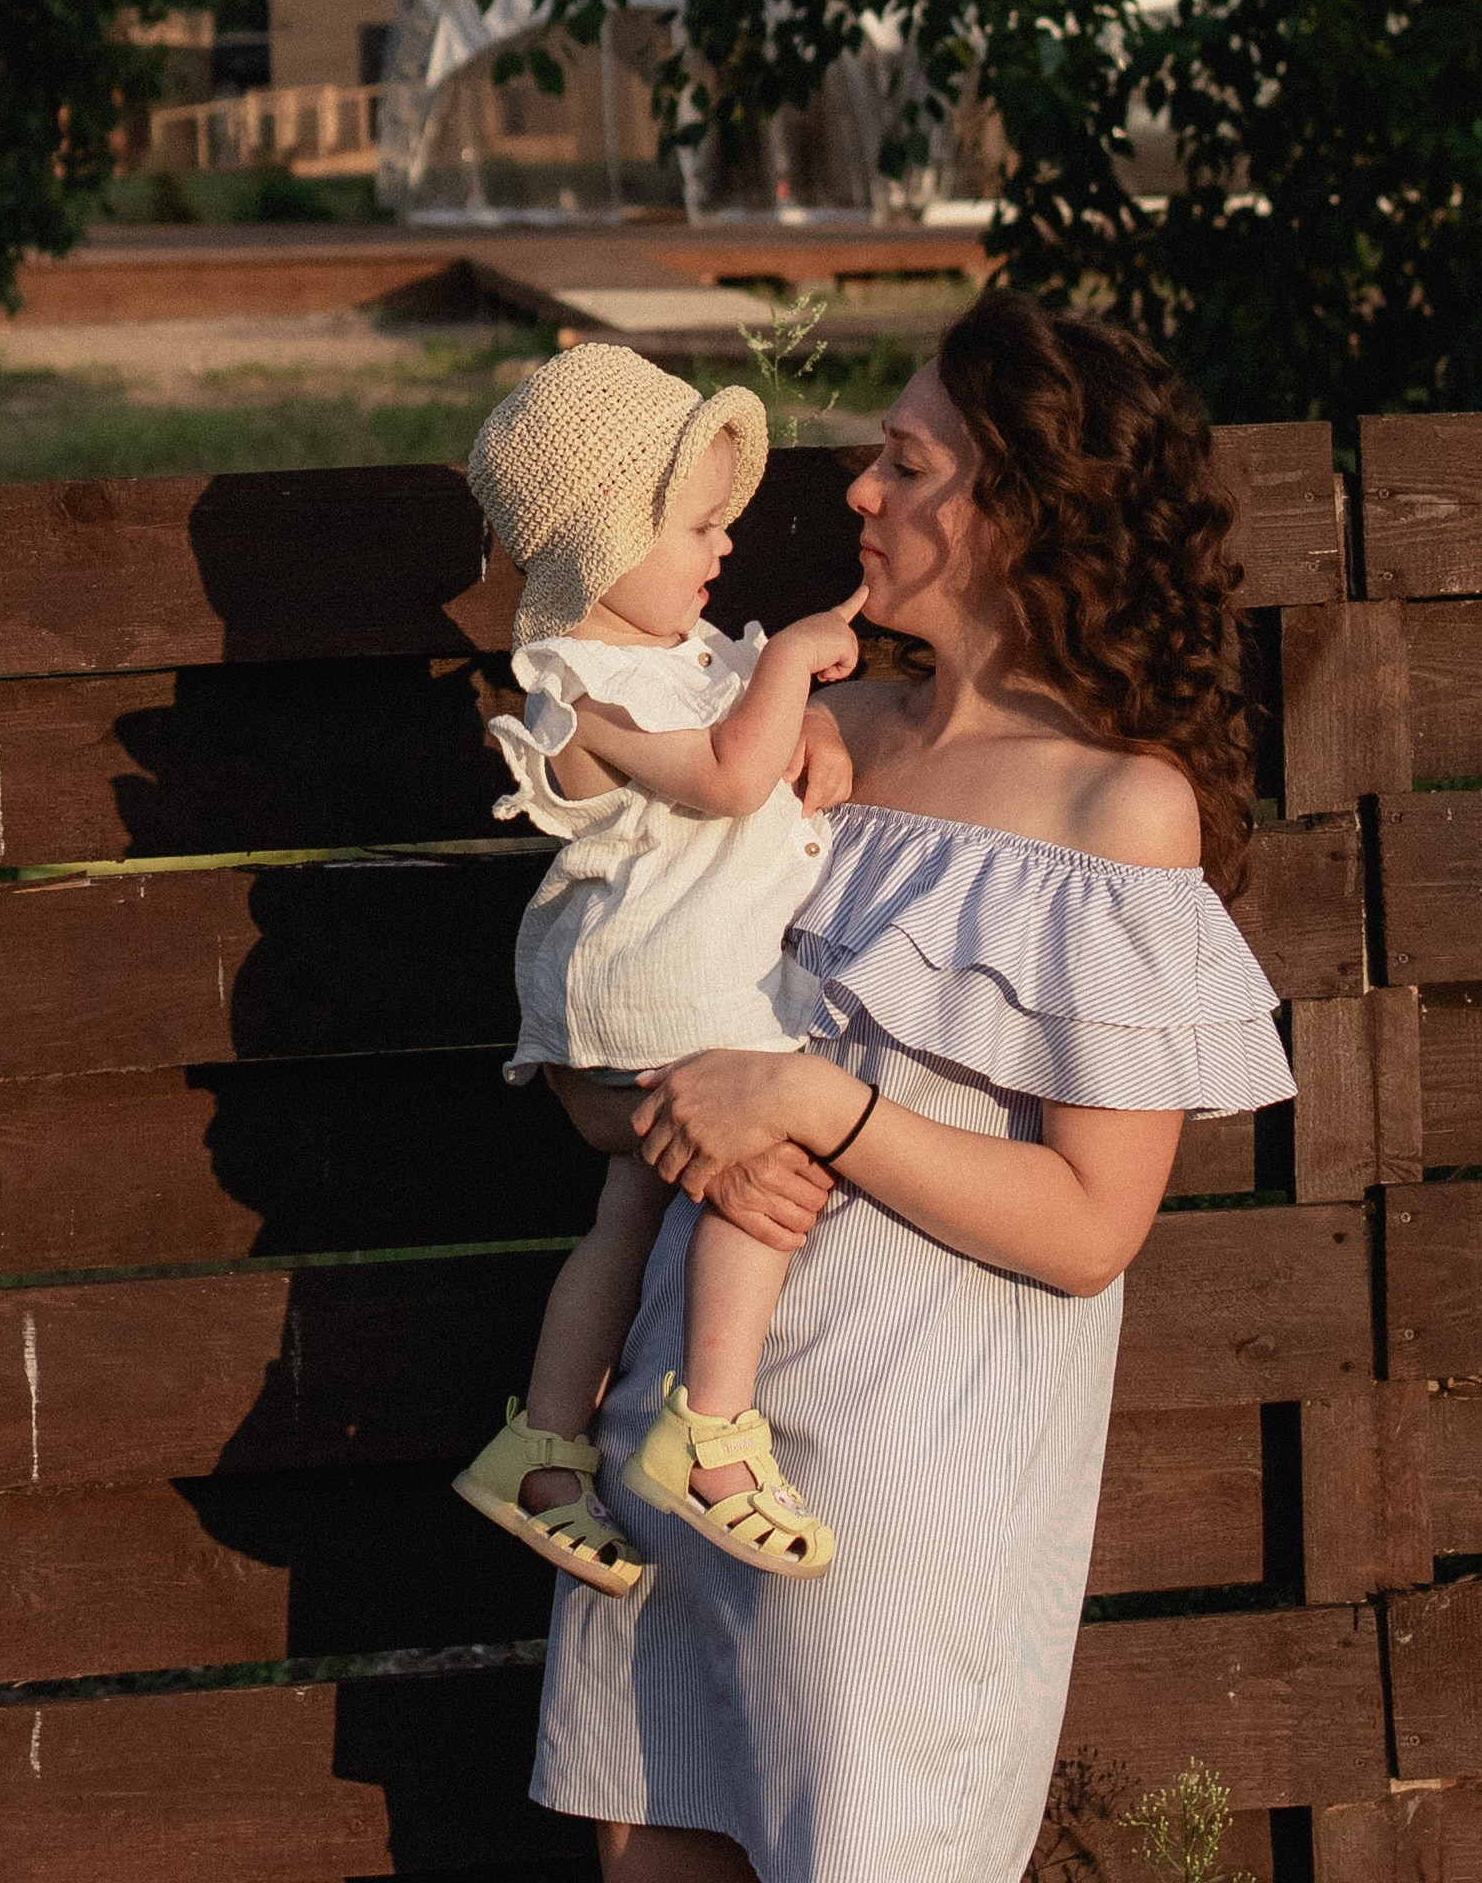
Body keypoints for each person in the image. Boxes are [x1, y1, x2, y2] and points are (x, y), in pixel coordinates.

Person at [529, 289, 1295, 1883]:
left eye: (908, 464)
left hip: (907, 1484)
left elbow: (1091, 1229)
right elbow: (615, 1026)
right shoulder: (808, 738)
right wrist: (646, 1097)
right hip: (687, 1429)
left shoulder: (1116, 811)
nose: (860, 491)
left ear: (1019, 509)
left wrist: (820, 1108)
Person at [455, 346, 868, 1595]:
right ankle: (714, 1431)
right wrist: (794, 666)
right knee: (762, 1160)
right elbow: (731, 776)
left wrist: (818, 720)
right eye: (696, 525)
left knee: (629, 1212)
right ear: (602, 540)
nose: (724, 547)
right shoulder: (587, 692)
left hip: (674, 985)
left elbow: (756, 740)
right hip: (656, 992)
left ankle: (541, 1451)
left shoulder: (681, 656)